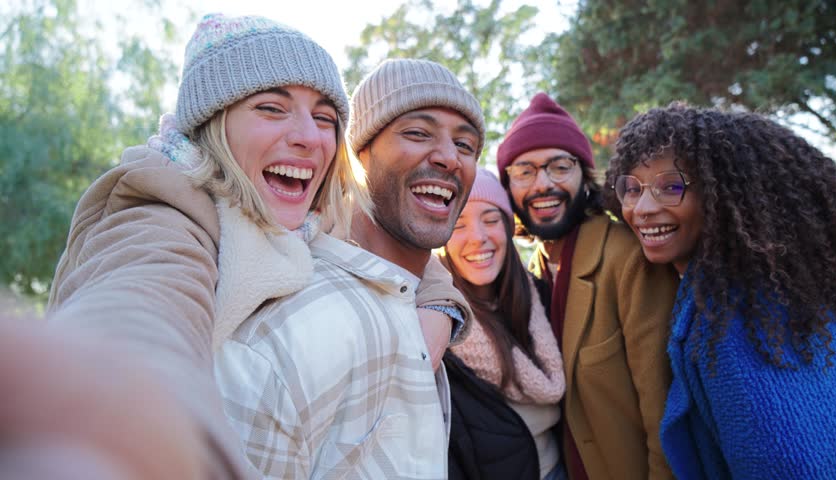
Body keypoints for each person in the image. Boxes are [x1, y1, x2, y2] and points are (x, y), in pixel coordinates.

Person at [39, 14, 467, 479]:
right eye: (270, 108)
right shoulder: (164, 208)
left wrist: (436, 315)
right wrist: (105, 410)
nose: (308, 136)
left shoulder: (301, 216)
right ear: (213, 122)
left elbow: (413, 260)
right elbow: (139, 304)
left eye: (324, 118)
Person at [214, 57, 485, 479]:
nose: (450, 157)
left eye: (466, 145)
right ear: (357, 154)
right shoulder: (288, 331)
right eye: (417, 133)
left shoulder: (412, 301)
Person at [605, 103, 836, 480]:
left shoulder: (743, 322)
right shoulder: (778, 287)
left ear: (722, 195)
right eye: (632, 188)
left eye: (671, 187)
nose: (643, 208)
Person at [496, 93, 680, 480]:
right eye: (524, 171)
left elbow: (665, 416)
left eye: (559, 167)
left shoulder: (627, 259)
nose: (542, 184)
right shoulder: (533, 269)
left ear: (584, 176)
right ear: (507, 187)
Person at [439, 167, 567, 480]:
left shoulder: (539, 296)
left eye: (491, 220)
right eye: (458, 224)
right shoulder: (438, 321)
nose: (478, 238)